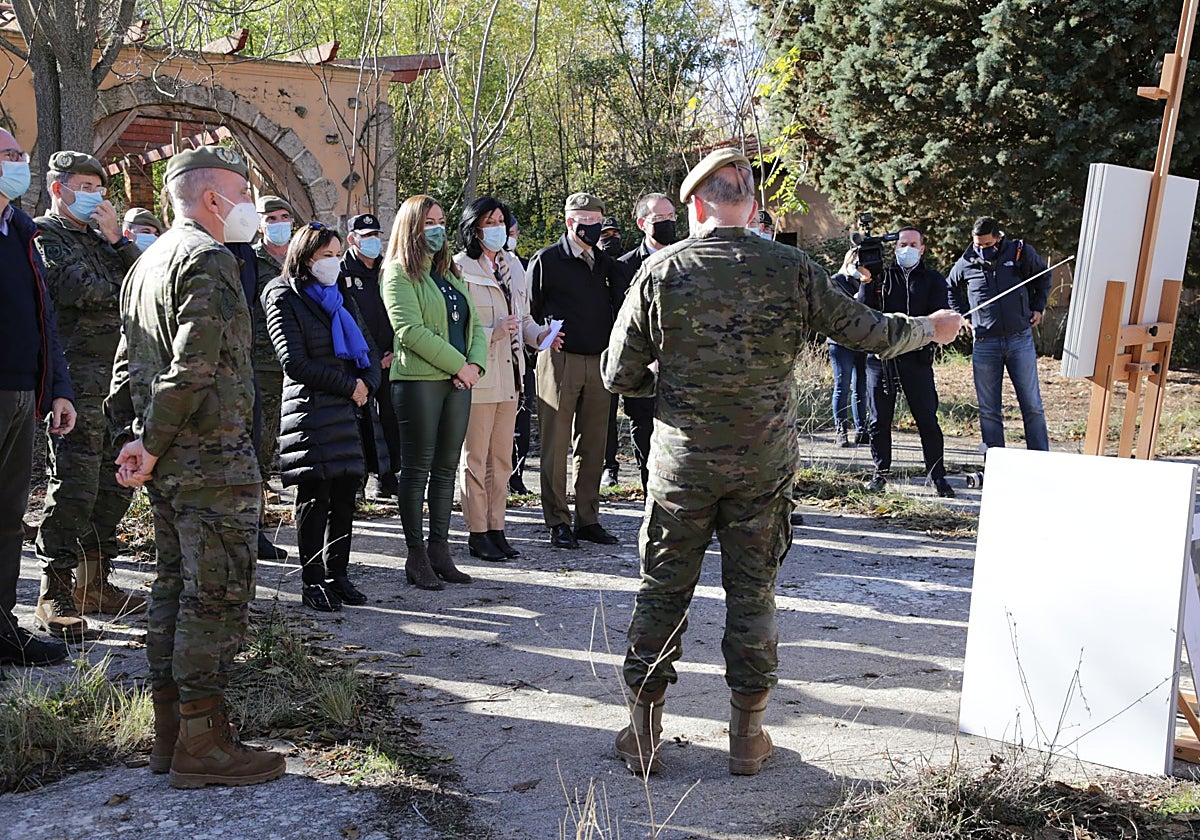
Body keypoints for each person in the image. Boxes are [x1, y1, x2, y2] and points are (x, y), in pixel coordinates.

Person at [601, 147, 964, 777]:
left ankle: (642, 736)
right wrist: (929, 327)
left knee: (663, 588)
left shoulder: (663, 271)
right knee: (753, 593)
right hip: (763, 464)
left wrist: (667, 382)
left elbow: (617, 374)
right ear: (751, 202)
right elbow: (868, 330)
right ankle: (747, 739)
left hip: (682, 465)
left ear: (695, 205)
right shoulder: (792, 269)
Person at [107, 145, 285, 789]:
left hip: (170, 460)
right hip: (210, 458)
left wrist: (135, 441)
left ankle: (172, 734)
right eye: (244, 192)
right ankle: (202, 746)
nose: (250, 208)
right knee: (215, 598)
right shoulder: (206, 258)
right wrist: (148, 443)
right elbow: (193, 366)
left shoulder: (145, 260)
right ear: (214, 198)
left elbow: (127, 366)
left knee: (175, 590)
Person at [32, 151, 144, 642]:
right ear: (59, 189)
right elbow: (82, 289)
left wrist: (119, 242)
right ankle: (53, 590)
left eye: (99, 187)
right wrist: (120, 272)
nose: (94, 196)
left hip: (116, 384)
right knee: (74, 486)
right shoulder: (44, 236)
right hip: (74, 383)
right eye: (83, 185)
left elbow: (143, 286)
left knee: (114, 482)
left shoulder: (104, 241)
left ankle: (94, 584)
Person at [262, 223, 380, 612]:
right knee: (315, 497)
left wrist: (366, 384)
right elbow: (294, 362)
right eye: (325, 256)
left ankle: (338, 574)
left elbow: (369, 348)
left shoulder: (339, 293)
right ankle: (312, 580)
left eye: (335, 255)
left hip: (348, 413)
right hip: (310, 412)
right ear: (305, 257)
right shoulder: (282, 294)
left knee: (346, 496)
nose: (333, 263)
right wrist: (350, 387)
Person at [381, 195, 486, 590]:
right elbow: (409, 331)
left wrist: (473, 366)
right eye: (429, 222)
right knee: (418, 469)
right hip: (419, 382)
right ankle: (416, 555)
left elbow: (473, 325)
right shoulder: (397, 274)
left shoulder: (451, 273)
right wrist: (458, 365)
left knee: (445, 469)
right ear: (411, 227)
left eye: (441, 220)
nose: (437, 229)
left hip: (459, 382)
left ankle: (441, 549)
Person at [0, 129, 75, 669]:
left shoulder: (21, 233)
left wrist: (58, 390)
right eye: (7, 156)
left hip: (23, 392)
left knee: (7, 519)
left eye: (19, 155)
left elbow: (44, 318)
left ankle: (2, 628)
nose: (19, 163)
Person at [454, 198, 556, 562]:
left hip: (512, 376)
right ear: (474, 227)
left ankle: (497, 528)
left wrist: (540, 336)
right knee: (475, 458)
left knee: (502, 459)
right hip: (478, 377)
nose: (498, 227)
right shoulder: (458, 267)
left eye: (501, 220)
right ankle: (476, 531)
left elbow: (523, 319)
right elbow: (454, 329)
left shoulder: (514, 265)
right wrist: (490, 332)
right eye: (490, 221)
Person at [529, 192, 626, 549]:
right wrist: (542, 336)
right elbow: (531, 310)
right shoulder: (546, 260)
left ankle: (588, 518)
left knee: (594, 443)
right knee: (555, 444)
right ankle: (557, 520)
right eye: (586, 222)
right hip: (560, 360)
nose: (594, 228)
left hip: (598, 360)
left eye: (598, 220)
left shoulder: (604, 263)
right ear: (570, 222)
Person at [850, 230, 955, 497]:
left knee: (927, 419)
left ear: (922, 248)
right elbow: (863, 311)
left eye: (912, 244)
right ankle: (880, 473)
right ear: (894, 248)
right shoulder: (881, 277)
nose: (907, 249)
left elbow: (941, 316)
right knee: (878, 420)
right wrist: (865, 280)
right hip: (881, 359)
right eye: (902, 244)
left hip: (917, 359)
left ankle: (937, 476)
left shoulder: (932, 280)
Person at [947, 216, 1050, 453]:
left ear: (998, 237)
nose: (981, 250)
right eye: (977, 245)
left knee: (1032, 405)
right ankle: (995, 461)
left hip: (1019, 338)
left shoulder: (1019, 251)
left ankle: (1040, 459)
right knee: (989, 410)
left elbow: (1043, 276)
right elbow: (950, 287)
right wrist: (964, 315)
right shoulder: (966, 261)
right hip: (984, 342)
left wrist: (1038, 306)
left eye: (986, 245)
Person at [615, 192, 677, 492]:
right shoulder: (625, 266)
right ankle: (650, 493)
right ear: (642, 223)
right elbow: (621, 323)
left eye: (671, 217)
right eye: (659, 218)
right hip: (644, 370)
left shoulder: (688, 258)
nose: (668, 223)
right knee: (644, 432)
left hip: (682, 369)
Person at [340, 212, 401, 500]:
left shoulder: (387, 269)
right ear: (353, 239)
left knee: (390, 417)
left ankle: (387, 476)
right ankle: (358, 481)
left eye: (376, 235)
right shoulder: (342, 273)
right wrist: (372, 359)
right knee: (360, 420)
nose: (373, 241)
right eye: (366, 237)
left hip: (390, 357)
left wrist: (392, 352)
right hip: (360, 360)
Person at [250, 195, 293, 562]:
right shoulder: (250, 259)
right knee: (260, 446)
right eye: (272, 218)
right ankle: (255, 529)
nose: (280, 223)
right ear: (260, 222)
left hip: (295, 365)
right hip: (261, 365)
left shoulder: (299, 258)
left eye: (284, 217)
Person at [506, 211, 537, 495]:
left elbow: (527, 314)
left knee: (522, 425)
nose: (511, 238)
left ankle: (517, 477)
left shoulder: (522, 267)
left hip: (522, 361)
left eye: (515, 233)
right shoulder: (464, 267)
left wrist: (539, 334)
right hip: (491, 363)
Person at [826, 261, 868, 448]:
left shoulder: (868, 282)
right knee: (842, 386)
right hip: (841, 342)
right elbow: (830, 310)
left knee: (861, 386)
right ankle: (841, 431)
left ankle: (862, 430)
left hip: (863, 341)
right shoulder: (836, 281)